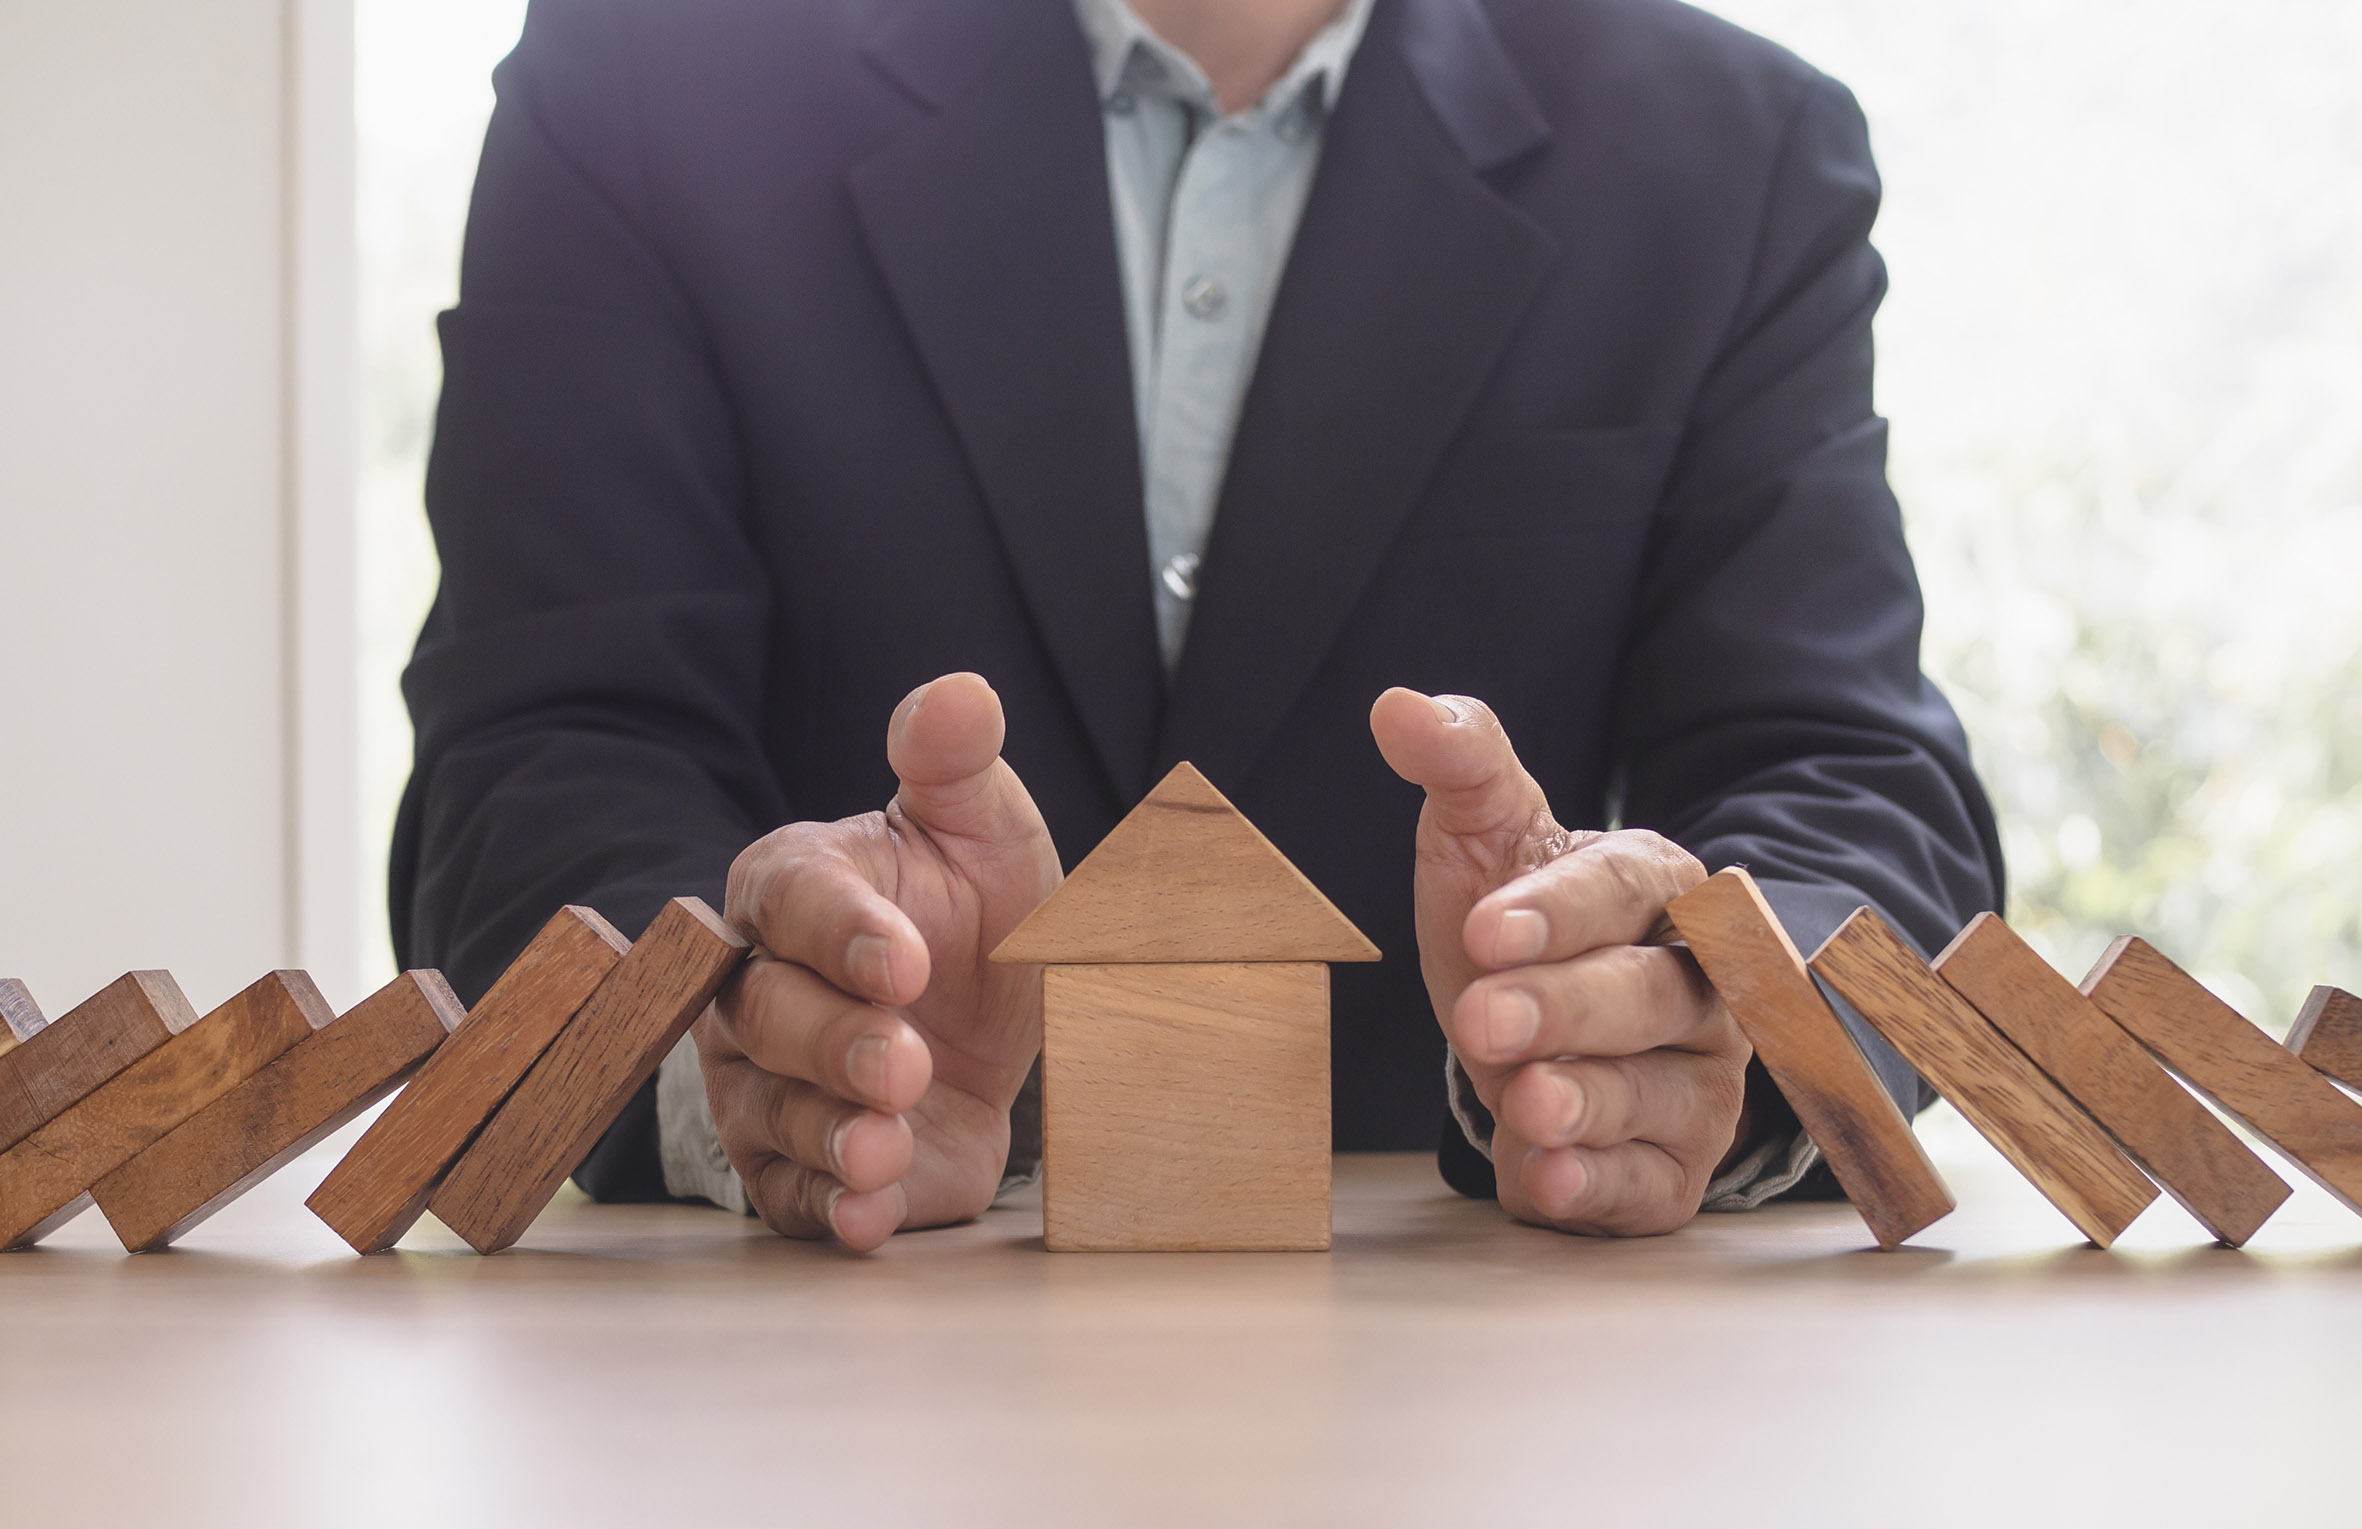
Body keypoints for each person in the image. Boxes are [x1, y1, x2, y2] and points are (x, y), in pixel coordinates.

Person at [394, 0, 2003, 1250]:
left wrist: (1668, 1015)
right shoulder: (642, 81)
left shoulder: (1732, 149)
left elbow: (1849, 780)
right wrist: (752, 1048)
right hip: (791, 1385)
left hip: (1492, 1409)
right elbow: (541, 751)